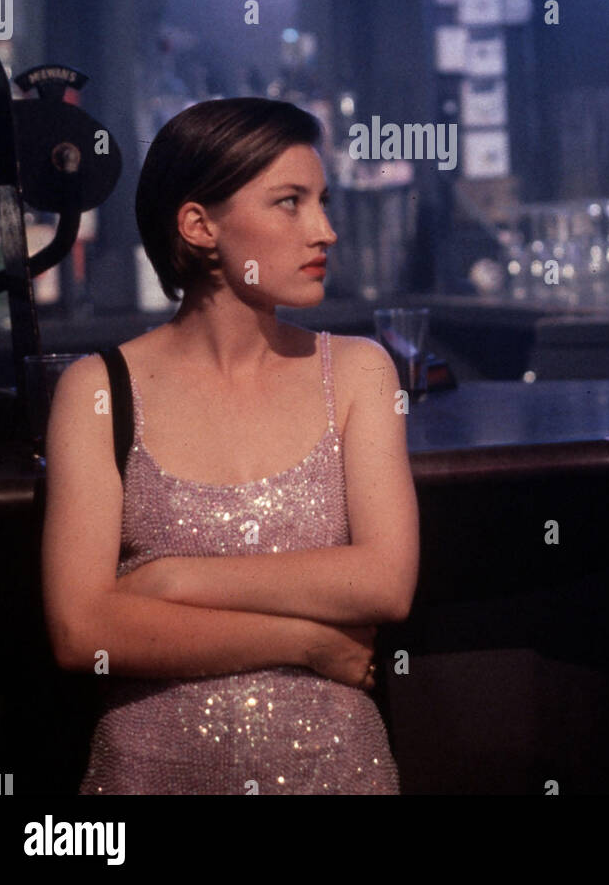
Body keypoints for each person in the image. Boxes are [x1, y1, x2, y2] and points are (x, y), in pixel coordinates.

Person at [41, 97, 419, 794]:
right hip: (151, 776)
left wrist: (171, 581)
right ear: (198, 225)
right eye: (289, 203)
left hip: (333, 774)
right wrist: (303, 641)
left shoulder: (359, 369)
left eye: (322, 202)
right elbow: (81, 632)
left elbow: (385, 582)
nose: (326, 231)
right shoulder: (99, 391)